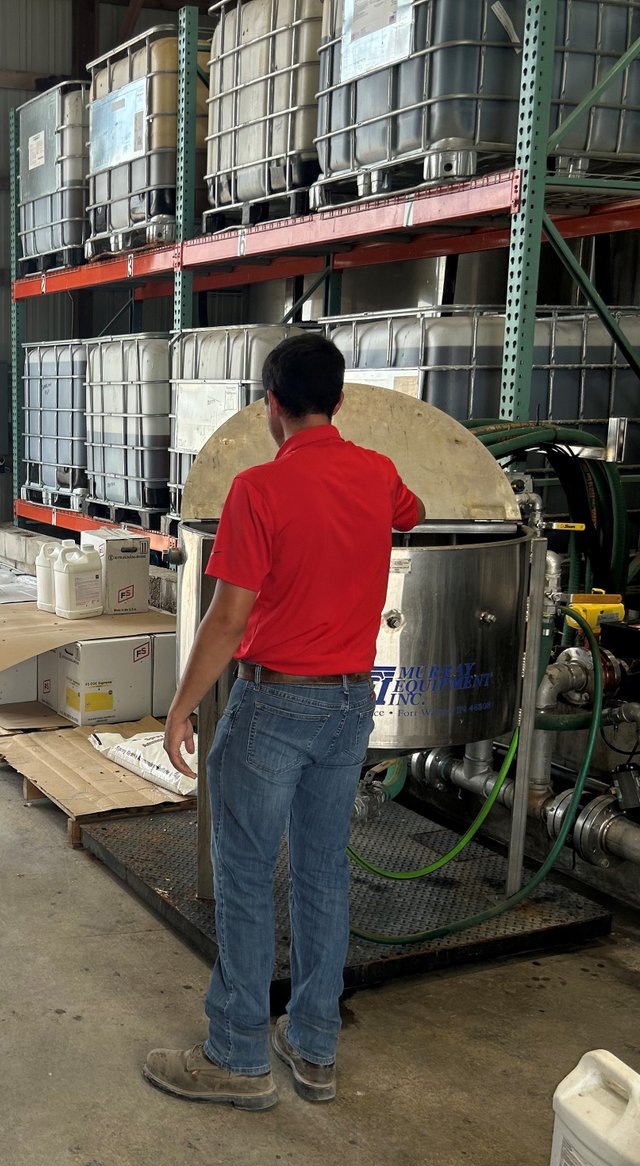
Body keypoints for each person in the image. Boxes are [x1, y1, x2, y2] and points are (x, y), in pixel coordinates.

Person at [145, 333, 424, 1110]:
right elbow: (415, 511)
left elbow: (227, 619)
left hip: (274, 705)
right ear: (339, 402)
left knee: (242, 873)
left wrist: (180, 708)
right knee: (322, 871)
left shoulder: (258, 491)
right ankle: (313, 1045)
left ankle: (236, 1056)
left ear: (271, 406)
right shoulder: (376, 474)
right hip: (347, 705)